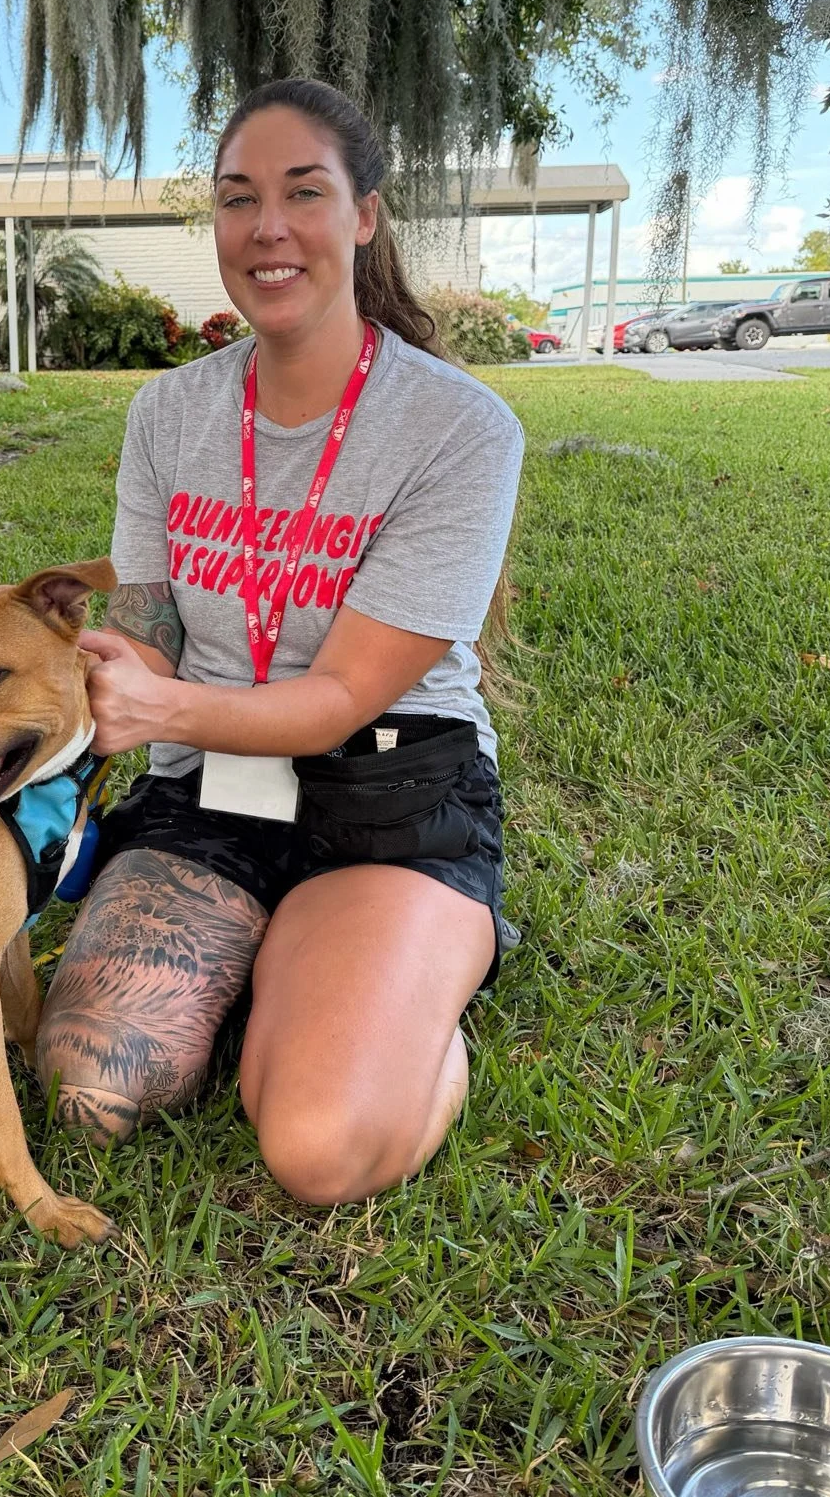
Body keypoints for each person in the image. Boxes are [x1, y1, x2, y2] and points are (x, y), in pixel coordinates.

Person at [34, 78, 524, 1206]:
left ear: (363, 215)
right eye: (237, 198)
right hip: (208, 793)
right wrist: (103, 677)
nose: (267, 228)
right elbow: (147, 623)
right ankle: (288, 969)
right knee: (89, 1088)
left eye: (305, 193)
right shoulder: (169, 415)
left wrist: (167, 708)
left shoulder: (457, 428)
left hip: (385, 797)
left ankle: (399, 1009)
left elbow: (345, 691)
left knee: (313, 1143)